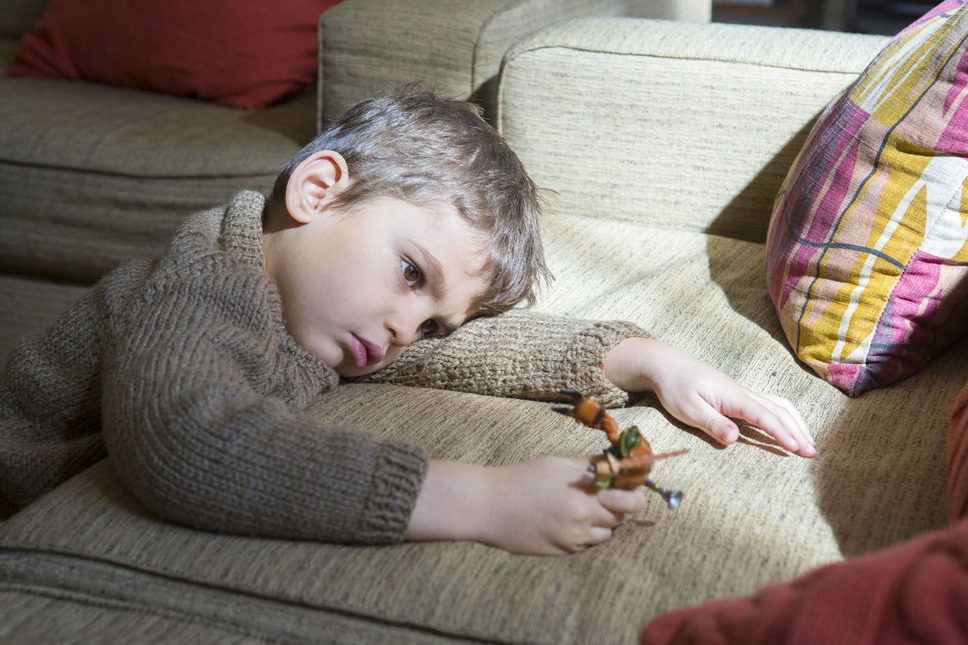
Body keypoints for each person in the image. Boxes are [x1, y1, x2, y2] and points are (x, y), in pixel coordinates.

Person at [0, 91, 814, 556]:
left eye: (431, 321)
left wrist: (649, 360)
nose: (405, 331)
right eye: (411, 273)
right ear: (316, 191)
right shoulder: (204, 282)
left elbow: (476, 349)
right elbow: (182, 438)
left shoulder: (335, 313)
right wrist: (479, 499)